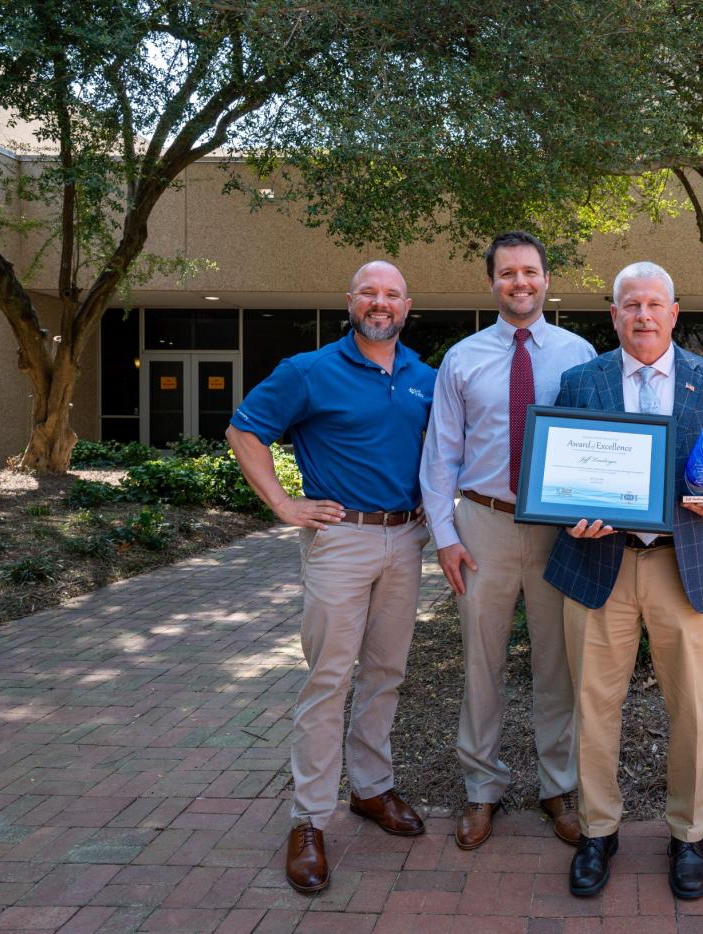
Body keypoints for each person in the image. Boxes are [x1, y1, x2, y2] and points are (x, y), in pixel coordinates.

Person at [544, 261, 703, 901]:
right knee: (593, 706)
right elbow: (556, 460)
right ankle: (597, 829)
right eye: (629, 305)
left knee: (692, 707)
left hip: (684, 566)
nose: (642, 315)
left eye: (653, 304)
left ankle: (688, 835)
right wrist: (567, 514)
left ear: (673, 313)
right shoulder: (581, 381)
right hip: (597, 565)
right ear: (614, 315)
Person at [226, 260, 437, 894]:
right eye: (369, 293)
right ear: (350, 301)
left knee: (386, 673)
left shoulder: (423, 377)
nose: (381, 303)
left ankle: (371, 789)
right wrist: (285, 505)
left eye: (392, 294)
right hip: (340, 539)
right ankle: (309, 820)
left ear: (407, 305)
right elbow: (243, 431)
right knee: (328, 679)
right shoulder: (308, 371)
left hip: (407, 539)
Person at [419, 231, 596, 850]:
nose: (519, 283)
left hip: (559, 531)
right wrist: (445, 536)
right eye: (507, 274)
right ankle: (480, 789)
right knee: (480, 663)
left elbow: (597, 444)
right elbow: (440, 456)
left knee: (559, 665)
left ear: (548, 279)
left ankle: (558, 787)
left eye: (530, 272)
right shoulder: (462, 359)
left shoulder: (580, 354)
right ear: (491, 283)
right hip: (484, 526)